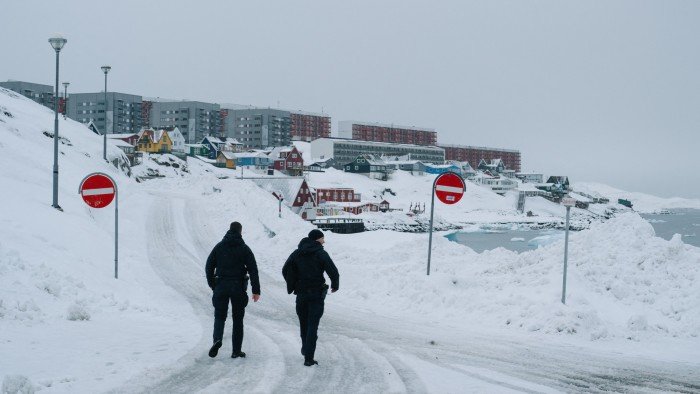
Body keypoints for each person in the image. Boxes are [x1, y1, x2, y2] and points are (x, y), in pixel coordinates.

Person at [282, 229, 339, 366]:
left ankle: (305, 348)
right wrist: (335, 284)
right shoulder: (320, 253)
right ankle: (309, 357)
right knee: (313, 325)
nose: (324, 241)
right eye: (322, 238)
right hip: (316, 293)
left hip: (301, 294)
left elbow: (285, 269)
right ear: (317, 239)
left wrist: (293, 284)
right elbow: (332, 270)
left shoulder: (297, 253)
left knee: (303, 323)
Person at [205, 221, 260, 359]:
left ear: (229, 230)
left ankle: (217, 339)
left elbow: (209, 266)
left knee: (219, 316)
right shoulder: (244, 248)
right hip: (238, 287)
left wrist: (213, 284)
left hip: (221, 285)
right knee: (238, 319)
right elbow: (253, 269)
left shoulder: (219, 247)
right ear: (240, 231)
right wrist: (256, 290)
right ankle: (236, 350)